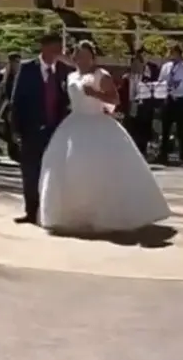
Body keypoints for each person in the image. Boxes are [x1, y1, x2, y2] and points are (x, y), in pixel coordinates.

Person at [37, 41, 169, 235]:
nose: (81, 59)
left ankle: (107, 213)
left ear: (93, 57)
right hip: (74, 124)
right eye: (78, 55)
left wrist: (96, 94)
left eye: (85, 55)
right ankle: (74, 213)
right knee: (68, 168)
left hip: (97, 122)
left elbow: (115, 100)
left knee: (101, 169)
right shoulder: (71, 75)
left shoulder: (102, 75)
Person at [9, 32, 71, 225]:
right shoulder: (28, 69)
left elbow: (66, 99)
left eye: (59, 51)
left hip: (56, 130)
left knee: (53, 172)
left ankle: (49, 210)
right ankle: (31, 211)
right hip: (31, 129)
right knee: (30, 172)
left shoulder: (63, 70)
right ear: (44, 48)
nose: (57, 54)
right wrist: (16, 129)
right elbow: (16, 99)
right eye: (53, 50)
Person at [156, 44, 183, 165]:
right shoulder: (166, 67)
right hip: (168, 99)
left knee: (181, 129)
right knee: (165, 128)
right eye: (171, 53)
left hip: (180, 100)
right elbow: (161, 81)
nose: (172, 55)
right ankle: (163, 154)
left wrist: (179, 91)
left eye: (174, 53)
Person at [118, 51, 155, 159]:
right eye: (134, 63)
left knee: (142, 130)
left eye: (138, 63)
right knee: (130, 129)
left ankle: (143, 152)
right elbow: (121, 92)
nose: (136, 66)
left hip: (143, 107)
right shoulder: (126, 77)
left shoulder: (147, 78)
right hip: (130, 105)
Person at [0, 53, 22, 163]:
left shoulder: (20, 75)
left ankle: (16, 152)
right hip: (9, 106)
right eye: (16, 61)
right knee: (11, 129)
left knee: (15, 129)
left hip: (17, 105)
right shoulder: (6, 76)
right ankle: (13, 152)